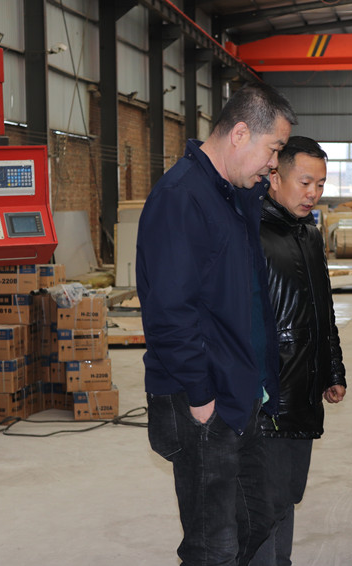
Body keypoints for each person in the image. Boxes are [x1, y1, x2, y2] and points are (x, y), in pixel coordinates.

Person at [136, 82, 297, 566]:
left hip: (237, 386)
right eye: (274, 149)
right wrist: (200, 396)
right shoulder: (181, 197)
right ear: (240, 133)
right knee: (214, 544)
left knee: (257, 516)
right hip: (202, 393)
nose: (274, 164)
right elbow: (169, 309)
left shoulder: (230, 194)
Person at [250, 136, 347, 566]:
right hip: (268, 397)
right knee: (264, 501)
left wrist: (333, 370)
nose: (313, 193)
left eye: (320, 185)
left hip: (304, 391)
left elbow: (323, 307)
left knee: (288, 494)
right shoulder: (250, 232)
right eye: (305, 182)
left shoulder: (308, 233)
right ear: (275, 176)